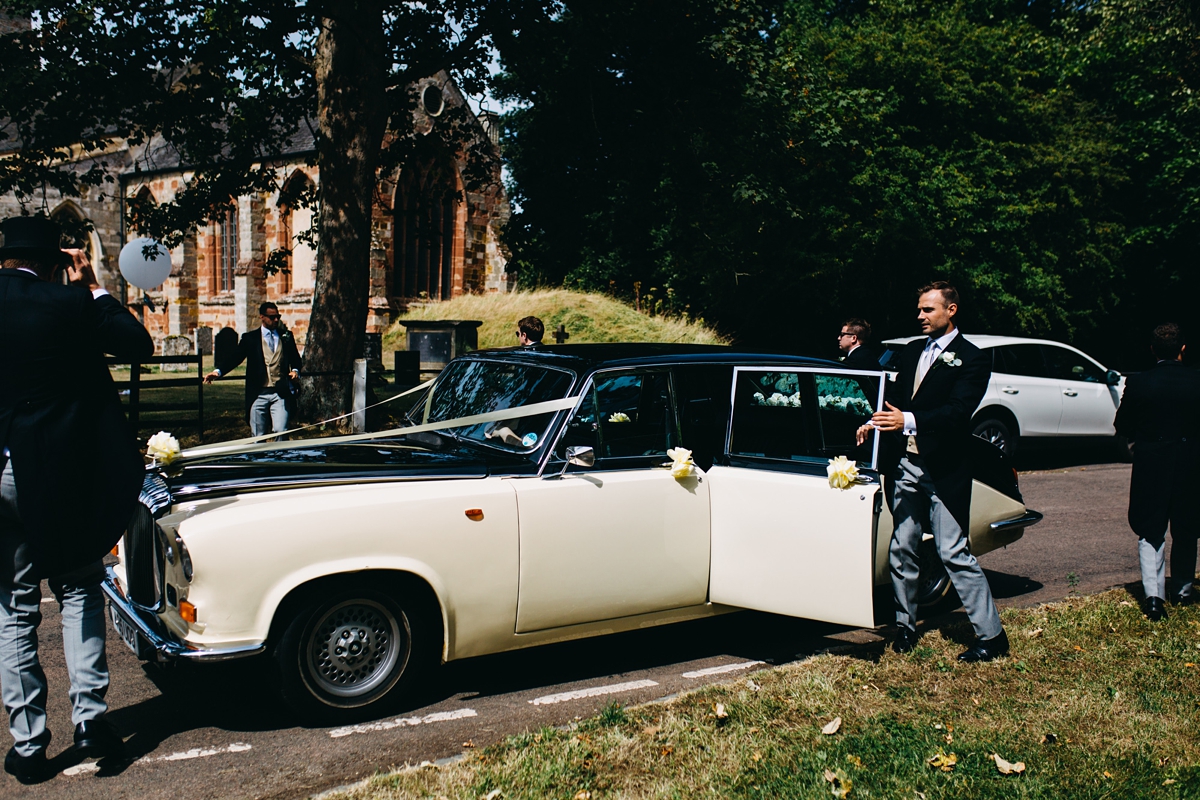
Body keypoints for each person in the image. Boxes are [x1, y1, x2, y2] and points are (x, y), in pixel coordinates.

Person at [0, 216, 154, 782]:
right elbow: (137, 345)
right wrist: (92, 285)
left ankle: (29, 745)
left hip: (0, 474)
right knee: (78, 587)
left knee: (14, 607)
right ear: (55, 259)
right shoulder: (67, 303)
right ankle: (90, 719)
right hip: (57, 473)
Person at [856, 281, 1008, 662]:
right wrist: (874, 422)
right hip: (904, 464)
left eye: (928, 310)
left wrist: (906, 419)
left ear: (951, 310)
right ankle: (904, 627)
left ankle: (992, 636)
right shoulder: (910, 352)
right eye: (920, 309)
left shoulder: (973, 358)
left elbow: (958, 413)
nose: (920, 316)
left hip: (945, 469)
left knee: (952, 551)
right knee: (901, 546)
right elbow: (894, 400)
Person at [1113, 323, 1200, 621]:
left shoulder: (1139, 383)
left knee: (1151, 529)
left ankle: (1153, 598)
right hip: (1191, 462)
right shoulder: (1197, 381)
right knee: (1187, 529)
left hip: (1152, 463)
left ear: (1153, 350)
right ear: (1183, 349)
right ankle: (1184, 589)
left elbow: (1121, 426)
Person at [204, 302, 303, 437]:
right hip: (258, 393)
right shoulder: (250, 338)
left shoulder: (286, 336)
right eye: (272, 317)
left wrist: (295, 371)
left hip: (280, 392)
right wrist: (218, 372)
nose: (276, 320)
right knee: (258, 434)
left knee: (281, 431)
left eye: (277, 316)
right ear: (262, 317)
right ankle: (259, 457)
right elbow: (236, 357)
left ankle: (280, 457)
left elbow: (296, 359)